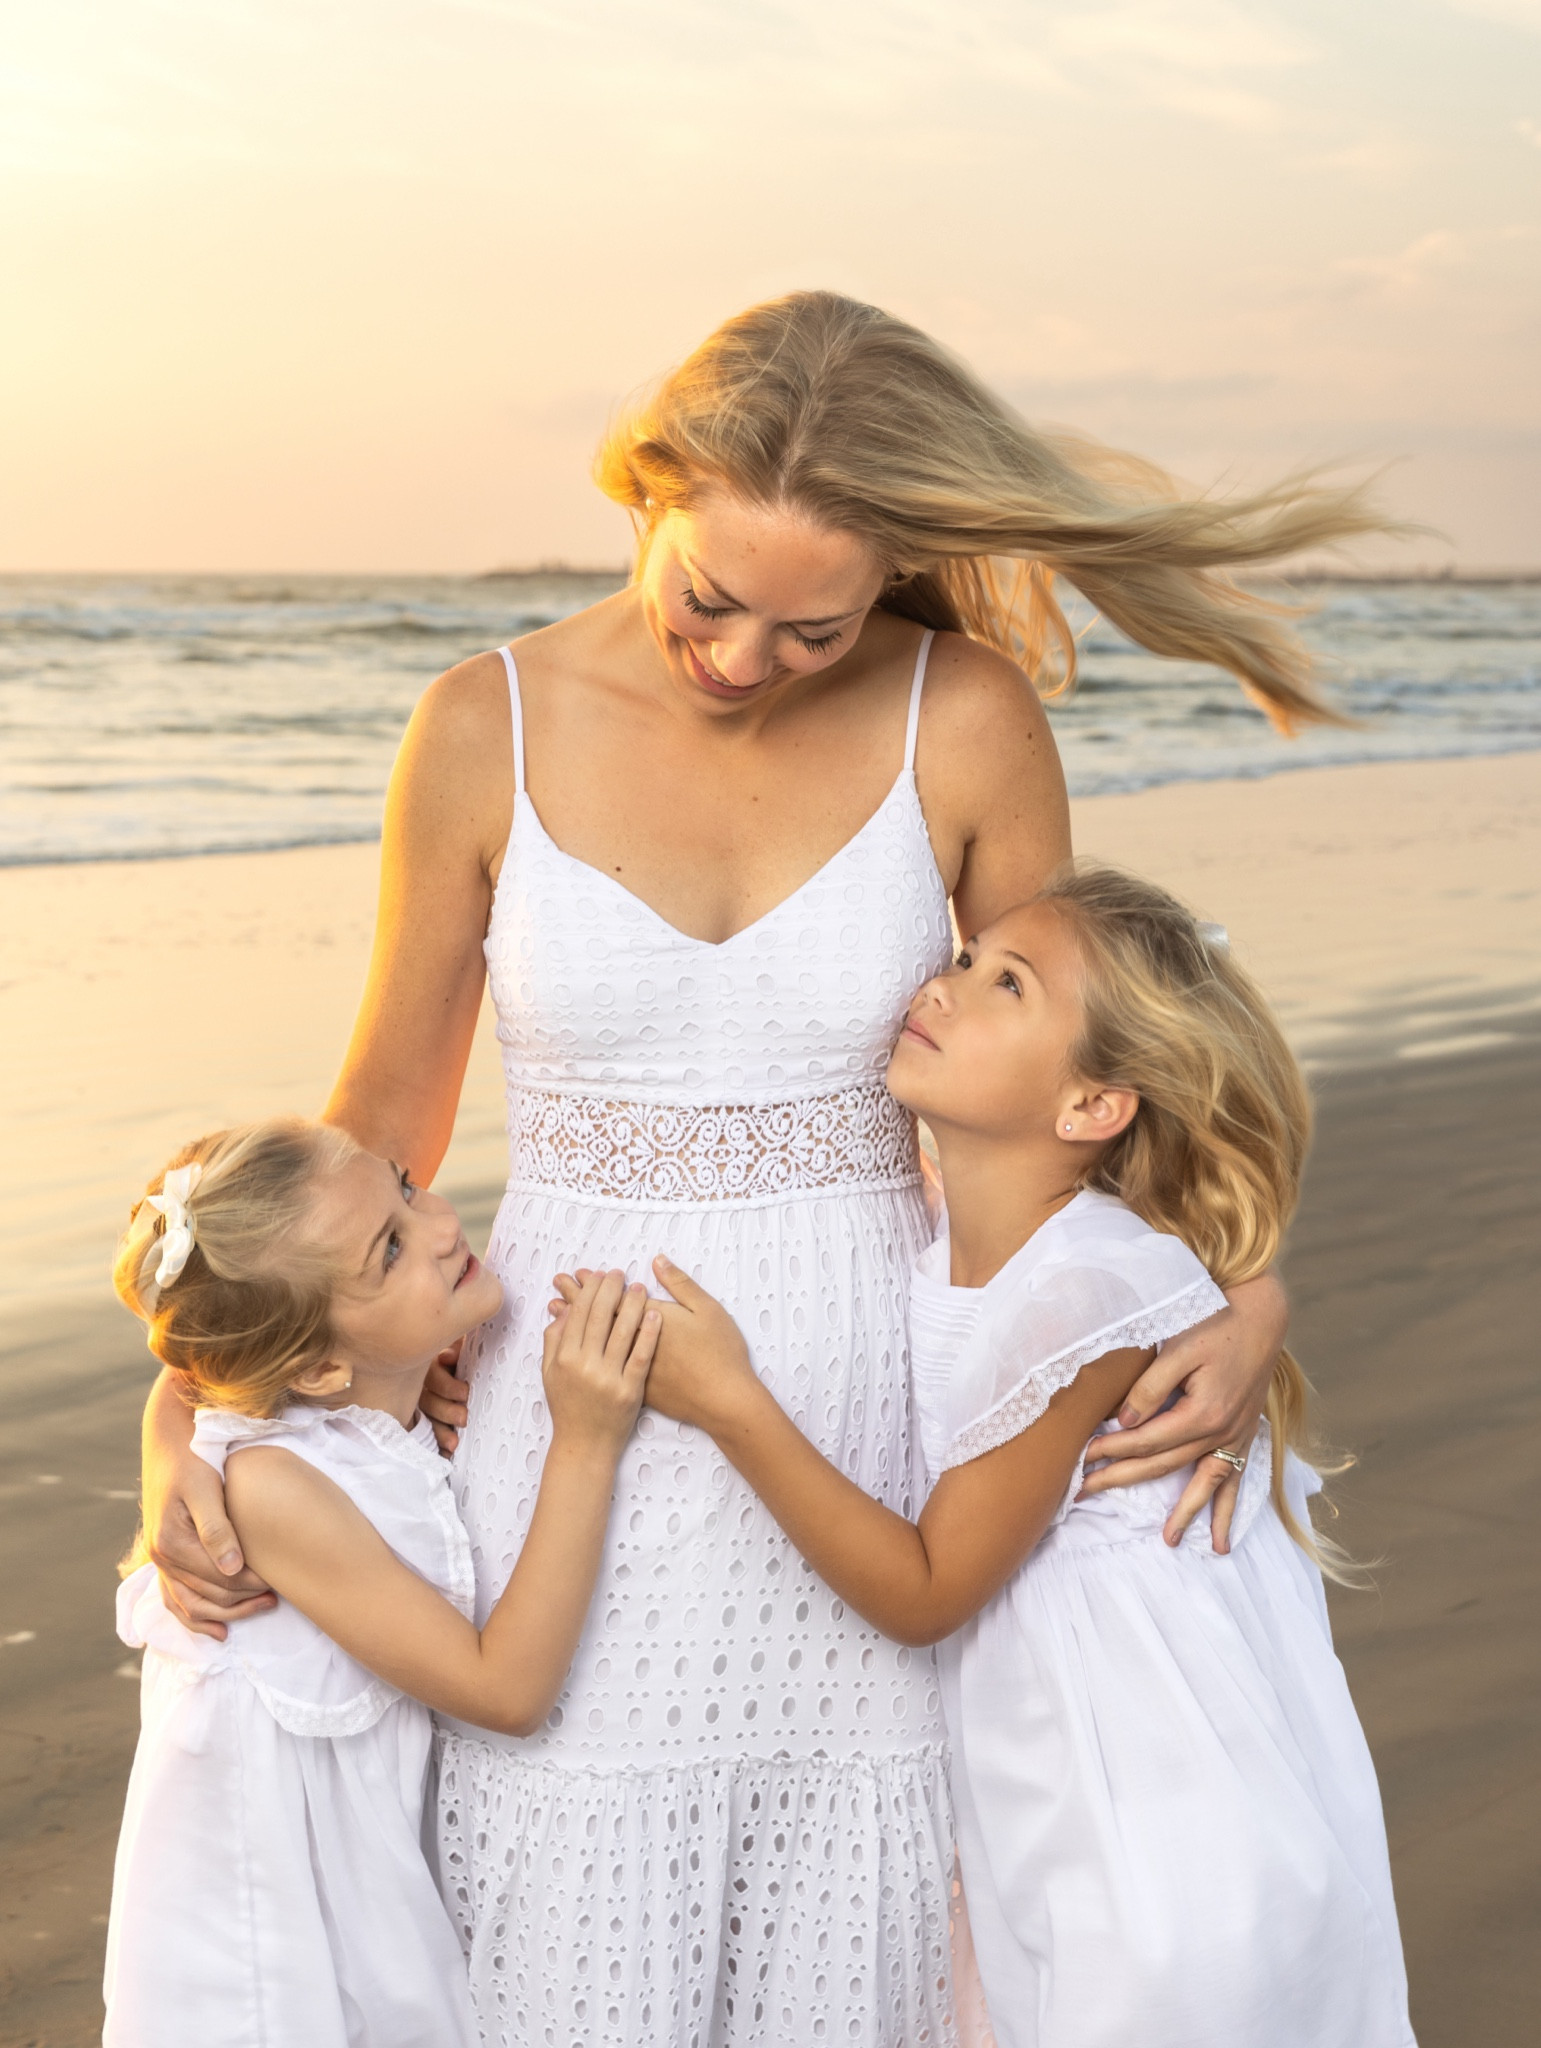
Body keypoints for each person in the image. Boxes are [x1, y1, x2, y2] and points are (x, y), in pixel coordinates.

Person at [136, 293, 1378, 2042]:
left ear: (892, 580)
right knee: (560, 1935)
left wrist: (1242, 1300)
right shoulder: (479, 723)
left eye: (814, 626)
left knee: (860, 1944)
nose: (740, 659)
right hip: (564, 1422)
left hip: (873, 1426)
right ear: (646, 491)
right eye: (707, 598)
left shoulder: (967, 719)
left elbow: (1084, 1072)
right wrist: (189, 1411)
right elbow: (370, 1141)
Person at [629, 863, 1415, 2048]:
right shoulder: (962, 1225)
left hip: (1156, 1806)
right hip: (1078, 1772)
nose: (942, 984)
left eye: (1006, 983)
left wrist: (730, 1400)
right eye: (962, 957)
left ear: (1093, 1106)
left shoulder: (1079, 1294)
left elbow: (929, 1587)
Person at [106, 1118, 658, 2048]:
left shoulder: (361, 1411)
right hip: (266, 1915)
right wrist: (586, 1439)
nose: (440, 1224)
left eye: (403, 1186)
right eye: (390, 1250)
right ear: (319, 1366)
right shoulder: (269, 1489)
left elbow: (194, 1379)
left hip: (345, 1866)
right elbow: (505, 1690)